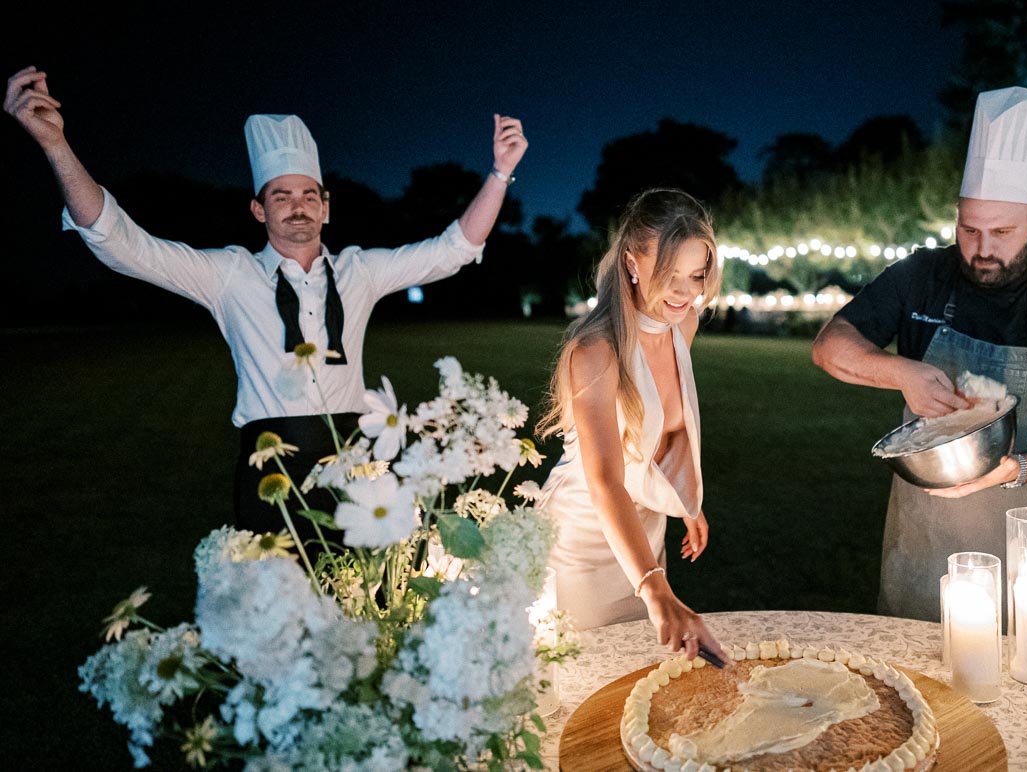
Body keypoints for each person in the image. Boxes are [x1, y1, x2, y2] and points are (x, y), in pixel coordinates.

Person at [4, 66, 527, 540]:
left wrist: (500, 173)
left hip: (357, 457)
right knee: (275, 617)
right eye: (281, 196)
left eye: (308, 195)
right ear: (258, 209)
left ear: (326, 206)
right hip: (269, 465)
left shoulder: (360, 271)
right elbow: (123, 243)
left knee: (362, 611)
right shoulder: (230, 274)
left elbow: (453, 249)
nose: (297, 207)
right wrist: (56, 146)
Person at [812, 86, 1027, 622]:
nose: (984, 248)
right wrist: (901, 372)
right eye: (970, 229)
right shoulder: (919, 277)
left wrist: (1015, 468)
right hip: (920, 546)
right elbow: (831, 348)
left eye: (1003, 232)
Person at [535, 188, 727, 663]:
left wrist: (683, 499)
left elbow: (665, 427)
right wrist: (654, 587)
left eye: (697, 275)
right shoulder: (595, 350)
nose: (685, 293)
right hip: (583, 545)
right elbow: (605, 480)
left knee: (635, 686)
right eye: (670, 275)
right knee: (580, 679)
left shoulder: (682, 325)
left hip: (644, 535)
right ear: (632, 263)